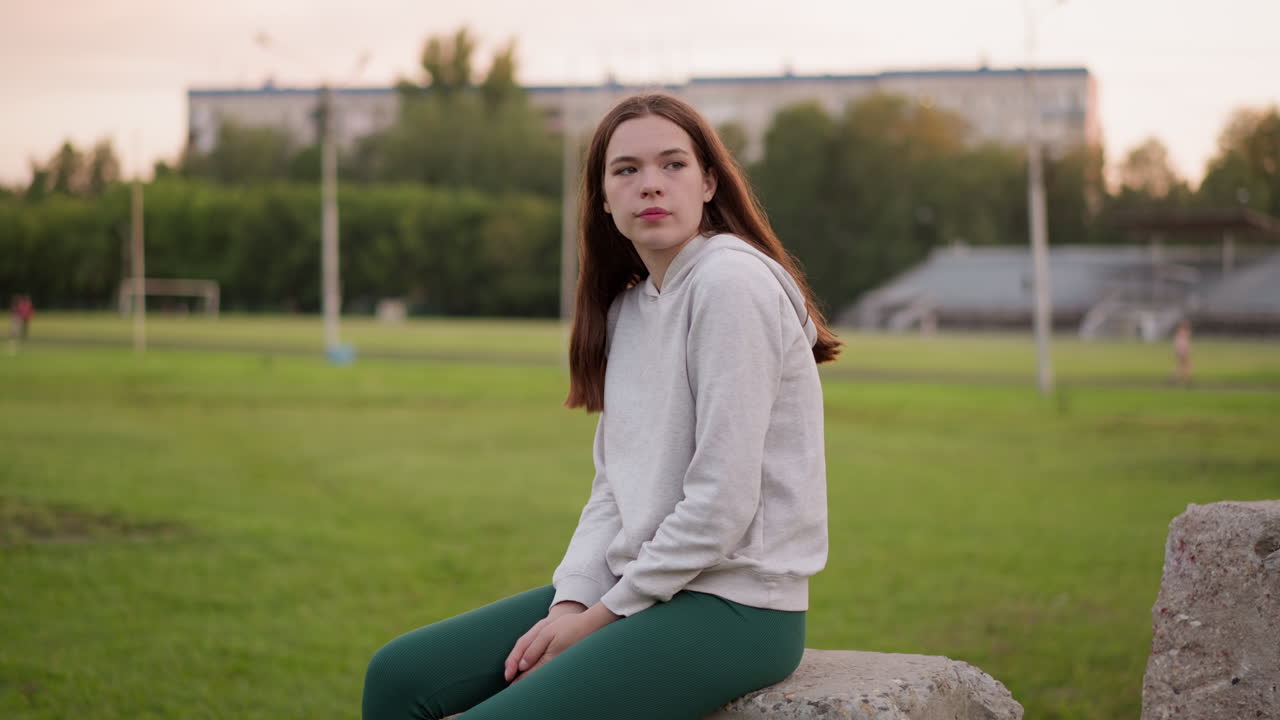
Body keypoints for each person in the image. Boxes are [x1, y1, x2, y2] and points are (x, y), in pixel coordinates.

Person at [362, 93, 842, 720]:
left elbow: (723, 502)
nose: (650, 185)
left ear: (708, 184)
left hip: (738, 606)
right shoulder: (627, 310)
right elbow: (614, 488)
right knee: (399, 677)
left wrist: (601, 617)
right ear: (604, 197)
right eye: (626, 170)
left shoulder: (731, 285)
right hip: (638, 590)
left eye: (672, 165)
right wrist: (572, 600)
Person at [1173, 319, 1192, 385]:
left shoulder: (1180, 333)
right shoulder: (1182, 333)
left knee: (1183, 365)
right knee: (1185, 365)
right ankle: (1184, 378)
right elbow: (1181, 344)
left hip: (1182, 351)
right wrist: (1183, 351)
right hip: (1182, 351)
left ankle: (1179, 378)